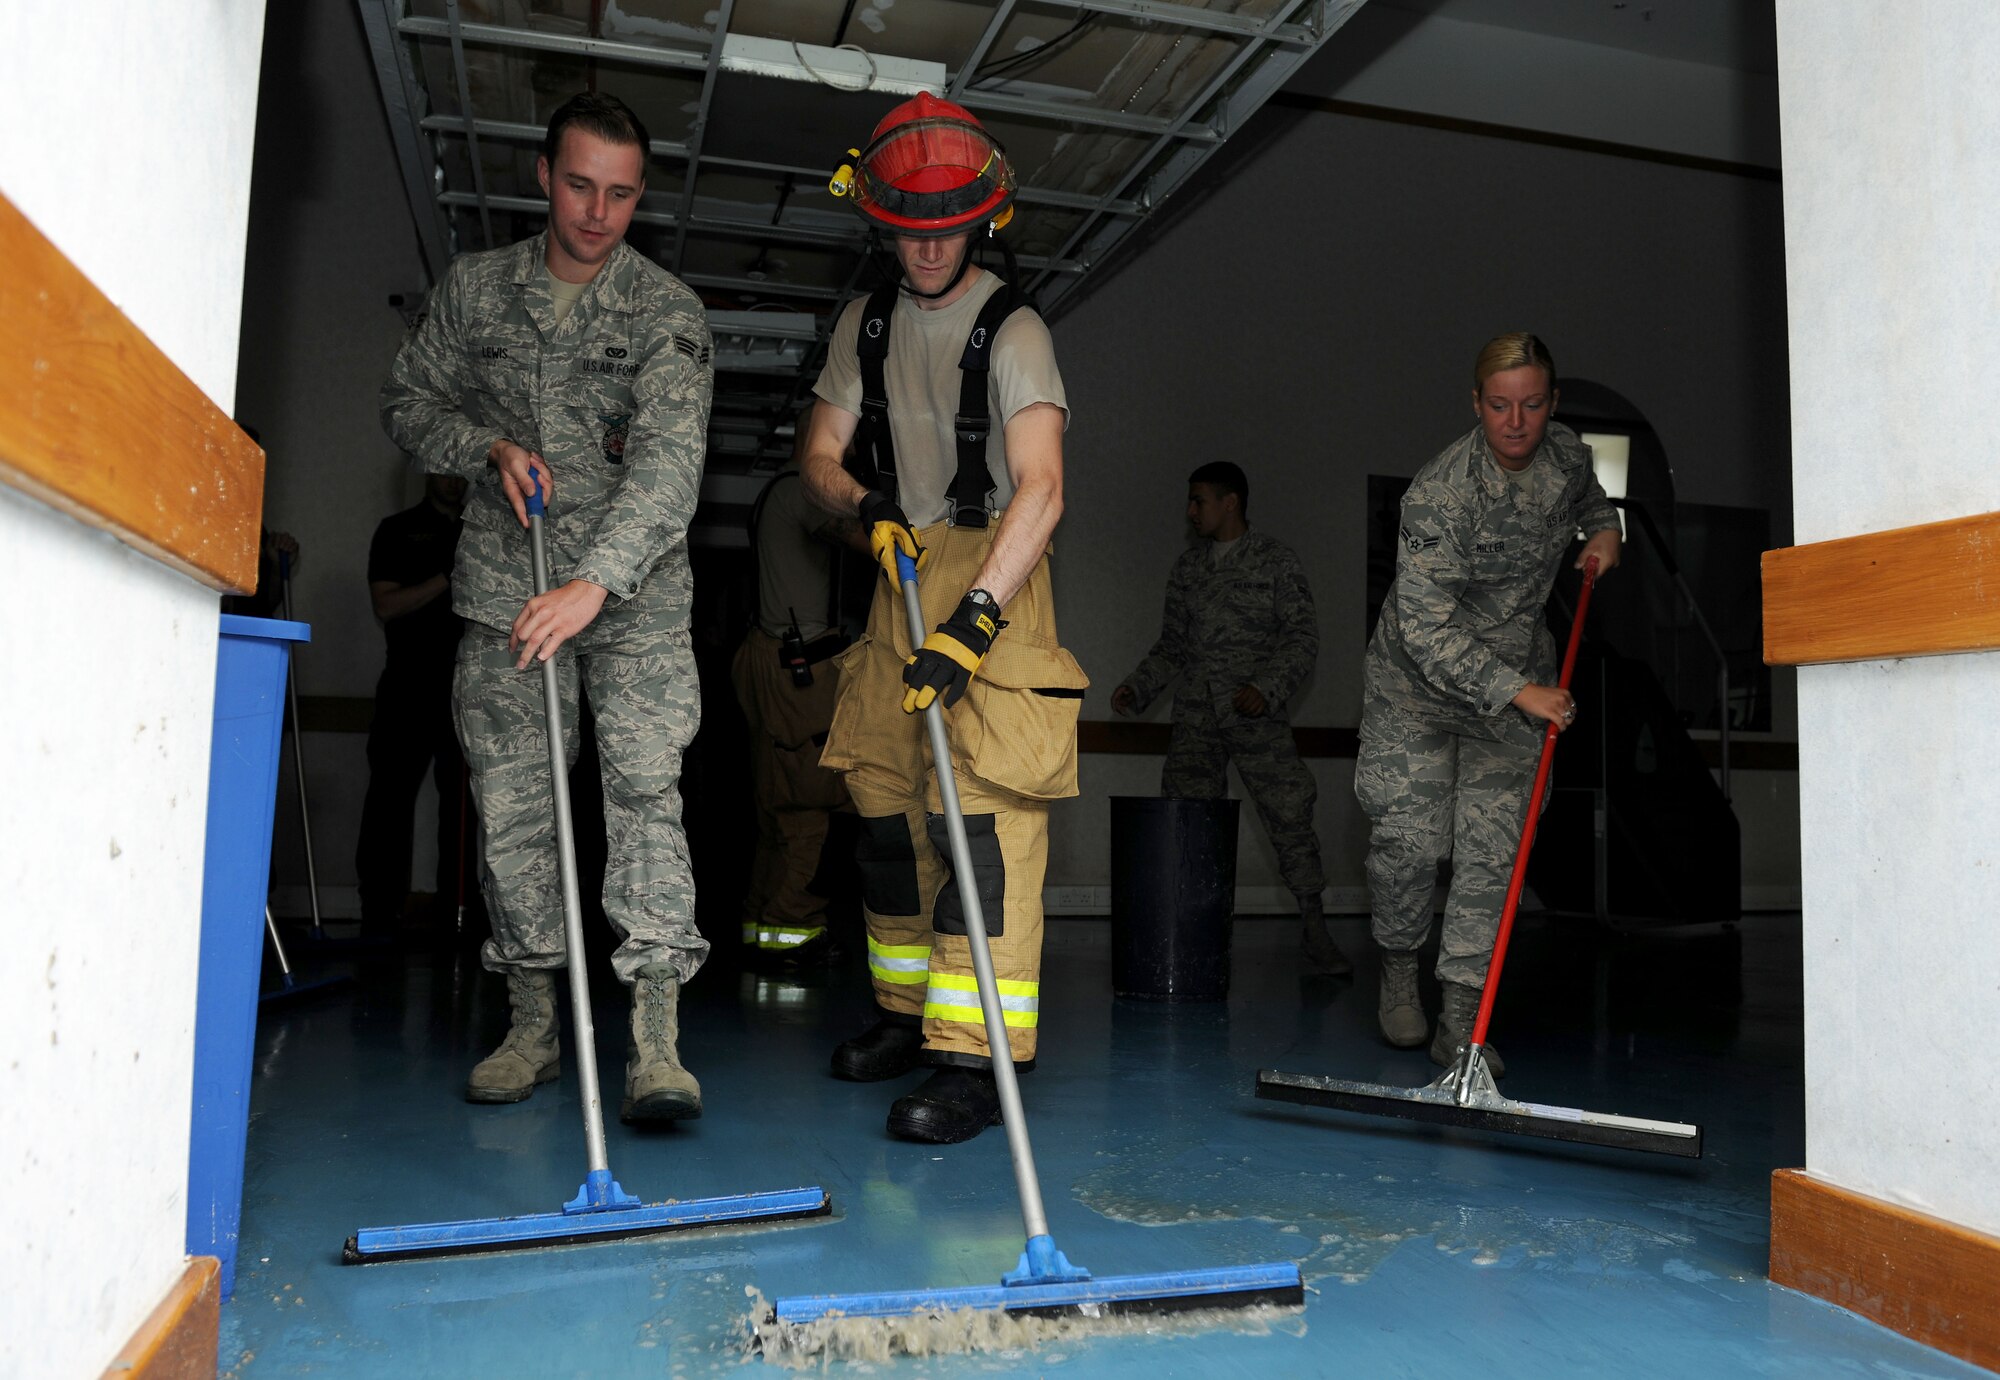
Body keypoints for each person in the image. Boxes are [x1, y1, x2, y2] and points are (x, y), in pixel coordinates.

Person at [379, 92, 715, 1123]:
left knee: (645, 798)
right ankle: (531, 1023)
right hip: (505, 589)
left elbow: (669, 469)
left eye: (619, 193)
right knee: (517, 805)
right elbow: (408, 402)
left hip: (634, 605)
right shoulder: (476, 293)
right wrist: (484, 447)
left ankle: (654, 1042)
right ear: (543, 175)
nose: (596, 213)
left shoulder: (667, 313)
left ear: (640, 195)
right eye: (579, 185)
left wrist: (592, 583)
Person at [802, 92, 1086, 1145]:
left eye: (947, 227)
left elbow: (1043, 490)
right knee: (883, 808)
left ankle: (972, 1059)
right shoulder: (863, 323)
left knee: (978, 822)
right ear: (881, 218)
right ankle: (904, 1016)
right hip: (897, 568)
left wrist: (972, 621)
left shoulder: (1016, 331)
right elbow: (816, 460)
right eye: (909, 228)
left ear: (982, 218)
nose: (928, 248)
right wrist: (864, 507)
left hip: (995, 581)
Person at [1357, 332, 1621, 1072]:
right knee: (1410, 846)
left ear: (1553, 403)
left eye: (1532, 404)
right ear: (1477, 405)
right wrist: (1520, 691)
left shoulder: (1566, 454)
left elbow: (1590, 500)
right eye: (1500, 406)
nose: (1516, 422)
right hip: (1417, 687)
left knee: (1492, 853)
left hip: (1513, 688)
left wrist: (1606, 531)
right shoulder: (1441, 496)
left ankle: (1463, 1024)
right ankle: (1400, 973)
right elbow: (1424, 627)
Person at [1112, 462, 1347, 975]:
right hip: (1196, 719)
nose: (1191, 511)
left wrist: (1266, 689)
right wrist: (1139, 685)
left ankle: (1316, 930)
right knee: (1189, 827)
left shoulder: (1275, 561)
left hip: (1254, 716)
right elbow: (1173, 645)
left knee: (1289, 816)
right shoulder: (1188, 569)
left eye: (1199, 501)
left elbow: (1302, 638)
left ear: (1230, 502)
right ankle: (1193, 934)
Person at [731, 443, 865, 966]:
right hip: (800, 670)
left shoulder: (777, 492)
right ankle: (794, 929)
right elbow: (875, 545)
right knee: (812, 804)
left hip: (779, 662)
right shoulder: (804, 493)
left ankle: (764, 923)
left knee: (777, 804)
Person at [354, 472, 472, 944]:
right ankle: (378, 916)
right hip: (407, 686)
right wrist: (447, 578)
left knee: (463, 810)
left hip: (465, 690)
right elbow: (386, 606)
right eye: (443, 468)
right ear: (427, 472)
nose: (452, 479)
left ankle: (456, 920)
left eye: (460, 469)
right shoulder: (397, 529)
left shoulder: (481, 530)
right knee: (389, 802)